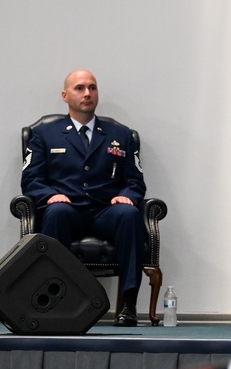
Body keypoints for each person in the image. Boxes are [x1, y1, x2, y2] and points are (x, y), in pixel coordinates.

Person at [20, 69, 147, 326]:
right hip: (67, 209)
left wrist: (127, 196)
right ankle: (58, 300)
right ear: (65, 96)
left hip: (105, 211)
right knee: (56, 212)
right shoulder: (44, 134)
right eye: (79, 88)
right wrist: (50, 195)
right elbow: (31, 180)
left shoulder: (120, 135)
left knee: (130, 214)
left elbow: (134, 180)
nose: (87, 93)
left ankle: (128, 305)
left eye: (92, 87)